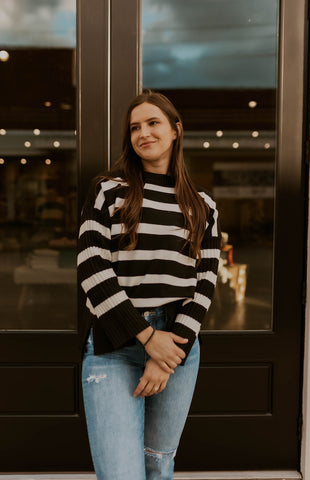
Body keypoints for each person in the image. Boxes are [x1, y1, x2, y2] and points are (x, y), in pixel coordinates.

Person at [77, 90, 220, 480]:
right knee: (122, 473)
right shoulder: (109, 191)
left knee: (158, 463)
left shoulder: (202, 206)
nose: (144, 133)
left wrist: (166, 352)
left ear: (176, 130)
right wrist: (145, 337)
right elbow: (93, 271)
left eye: (153, 123)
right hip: (114, 345)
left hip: (177, 347)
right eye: (135, 127)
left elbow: (204, 282)